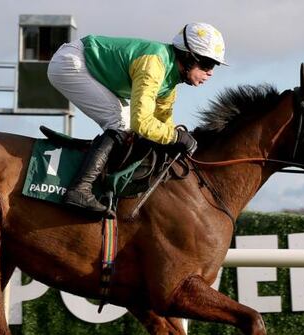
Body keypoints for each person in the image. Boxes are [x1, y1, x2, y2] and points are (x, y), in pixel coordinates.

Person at [47, 22, 227, 214]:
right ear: (188, 56)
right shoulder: (153, 65)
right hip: (70, 63)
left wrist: (177, 140)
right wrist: (177, 137)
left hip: (89, 68)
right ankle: (79, 189)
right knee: (121, 123)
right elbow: (142, 123)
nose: (210, 72)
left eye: (213, 65)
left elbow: (162, 123)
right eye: (207, 64)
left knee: (127, 128)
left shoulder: (170, 83)